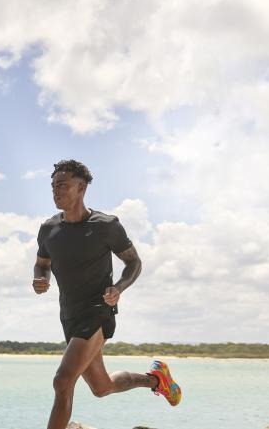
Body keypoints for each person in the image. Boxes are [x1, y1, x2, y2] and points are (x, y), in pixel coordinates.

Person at [33, 159, 181, 429]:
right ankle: (156, 380)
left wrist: (119, 288)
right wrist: (40, 279)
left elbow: (134, 262)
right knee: (102, 387)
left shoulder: (106, 225)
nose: (55, 190)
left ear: (81, 187)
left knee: (63, 381)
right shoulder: (48, 229)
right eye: (53, 185)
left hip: (98, 310)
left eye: (62, 185)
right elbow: (42, 264)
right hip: (69, 315)